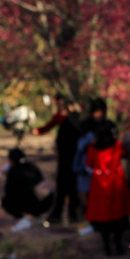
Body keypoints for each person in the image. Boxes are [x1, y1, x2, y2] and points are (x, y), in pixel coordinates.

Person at [85, 120, 130, 256]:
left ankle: (107, 247)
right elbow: (126, 155)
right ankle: (118, 246)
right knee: (118, 216)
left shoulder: (93, 149)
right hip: (116, 185)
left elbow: (88, 165)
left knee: (103, 218)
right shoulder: (117, 146)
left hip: (99, 188)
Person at [32, 94, 81, 224]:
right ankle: (63, 215)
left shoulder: (73, 119)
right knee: (63, 187)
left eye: (62, 105)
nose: (60, 107)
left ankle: (71, 214)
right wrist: (38, 131)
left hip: (72, 159)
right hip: (65, 159)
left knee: (69, 187)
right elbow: (49, 125)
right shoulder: (63, 118)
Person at [1, 148, 54, 225]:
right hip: (42, 204)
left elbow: (8, 191)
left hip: (25, 205)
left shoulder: (12, 171)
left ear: (11, 160)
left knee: (5, 200)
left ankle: (21, 217)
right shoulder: (32, 167)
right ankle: (36, 215)